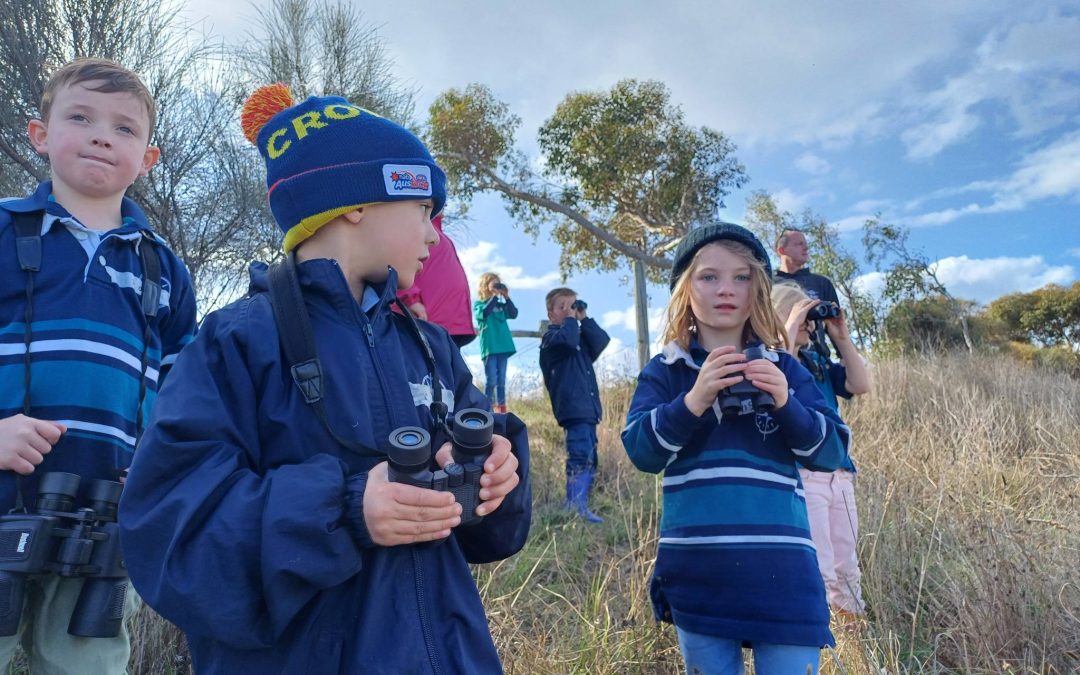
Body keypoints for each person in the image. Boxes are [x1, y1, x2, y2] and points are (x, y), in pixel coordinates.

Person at [117, 83, 531, 673]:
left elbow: (484, 535)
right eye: (423, 211)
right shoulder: (236, 341)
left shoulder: (431, 346)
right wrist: (346, 511)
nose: (435, 235)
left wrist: (497, 474)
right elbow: (171, 529)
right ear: (357, 203)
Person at [0, 58, 197, 672]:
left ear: (149, 158)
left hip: (104, 515)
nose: (101, 136)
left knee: (87, 662)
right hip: (4, 491)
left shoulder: (163, 268)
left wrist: (156, 467)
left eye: (124, 129)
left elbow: (182, 387)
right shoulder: (5, 228)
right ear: (40, 134)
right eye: (80, 117)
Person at [621, 223, 851, 675]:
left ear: (759, 290)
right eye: (709, 277)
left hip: (784, 576)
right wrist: (693, 401)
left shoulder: (785, 367)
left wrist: (786, 402)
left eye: (741, 277)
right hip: (699, 577)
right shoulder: (666, 370)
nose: (726, 289)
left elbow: (832, 453)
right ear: (686, 290)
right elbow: (642, 453)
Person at [772, 282, 871, 621]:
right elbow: (778, 367)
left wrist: (841, 337)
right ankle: (818, 644)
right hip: (804, 474)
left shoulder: (816, 362)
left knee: (847, 565)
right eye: (801, 316)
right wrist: (786, 329)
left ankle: (853, 644)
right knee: (819, 567)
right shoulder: (772, 363)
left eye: (810, 316)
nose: (809, 323)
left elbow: (861, 385)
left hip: (840, 473)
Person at [540, 288, 610, 524]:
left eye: (573, 305)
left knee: (590, 455)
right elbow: (568, 341)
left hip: (588, 409)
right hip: (572, 408)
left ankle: (582, 503)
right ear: (551, 315)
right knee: (579, 454)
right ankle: (574, 504)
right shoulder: (552, 340)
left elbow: (602, 341)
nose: (570, 310)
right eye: (562, 307)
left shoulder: (577, 339)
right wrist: (571, 319)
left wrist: (584, 317)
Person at [397, 213, 477, 347]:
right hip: (428, 320)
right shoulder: (414, 224)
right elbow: (398, 260)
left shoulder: (437, 232)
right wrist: (410, 298)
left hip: (453, 323)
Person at [774, 228, 841, 358]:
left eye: (805, 244)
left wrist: (844, 356)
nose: (806, 248)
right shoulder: (768, 283)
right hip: (779, 357)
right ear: (782, 250)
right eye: (799, 244)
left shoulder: (821, 283)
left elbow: (833, 323)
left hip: (818, 361)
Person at [474, 272, 517, 413]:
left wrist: (506, 297)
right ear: (485, 286)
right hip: (490, 347)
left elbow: (513, 313)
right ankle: (488, 408)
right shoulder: (479, 304)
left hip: (503, 346)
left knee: (501, 380)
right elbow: (485, 313)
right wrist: (493, 296)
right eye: (494, 284)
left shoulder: (501, 305)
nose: (497, 286)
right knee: (491, 379)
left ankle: (502, 407)